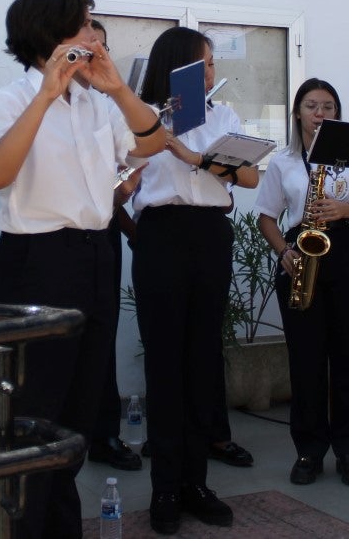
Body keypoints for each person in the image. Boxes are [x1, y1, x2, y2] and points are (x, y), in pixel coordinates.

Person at [0, 0, 164, 539]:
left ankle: (60, 527)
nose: (93, 38)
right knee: (33, 414)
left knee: (76, 414)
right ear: (49, 36)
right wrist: (45, 97)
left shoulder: (97, 104)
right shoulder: (12, 98)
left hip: (93, 255)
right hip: (34, 261)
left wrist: (117, 86)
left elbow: (150, 142)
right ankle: (23, 527)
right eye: (84, 27)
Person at [131, 27, 259, 534]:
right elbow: (127, 167)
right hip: (161, 234)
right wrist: (160, 132)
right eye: (204, 63)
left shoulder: (222, 115)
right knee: (165, 362)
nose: (212, 73)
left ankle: (197, 483)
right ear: (178, 65)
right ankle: (165, 486)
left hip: (210, 234)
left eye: (211, 65)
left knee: (202, 358)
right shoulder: (143, 116)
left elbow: (248, 178)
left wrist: (197, 157)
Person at [256, 78, 349, 489]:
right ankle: (308, 451)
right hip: (302, 256)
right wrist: (283, 253)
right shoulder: (283, 162)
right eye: (312, 106)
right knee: (306, 361)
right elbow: (266, 217)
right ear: (298, 113)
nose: (320, 114)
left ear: (337, 113)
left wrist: (348, 209)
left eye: (328, 106)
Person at [83, 19, 144, 472]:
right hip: (55, 237)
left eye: (103, 47)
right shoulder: (38, 100)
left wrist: (123, 204)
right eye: (88, 45)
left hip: (102, 233)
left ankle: (104, 434)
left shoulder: (115, 110)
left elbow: (129, 170)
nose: (95, 54)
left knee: (100, 337)